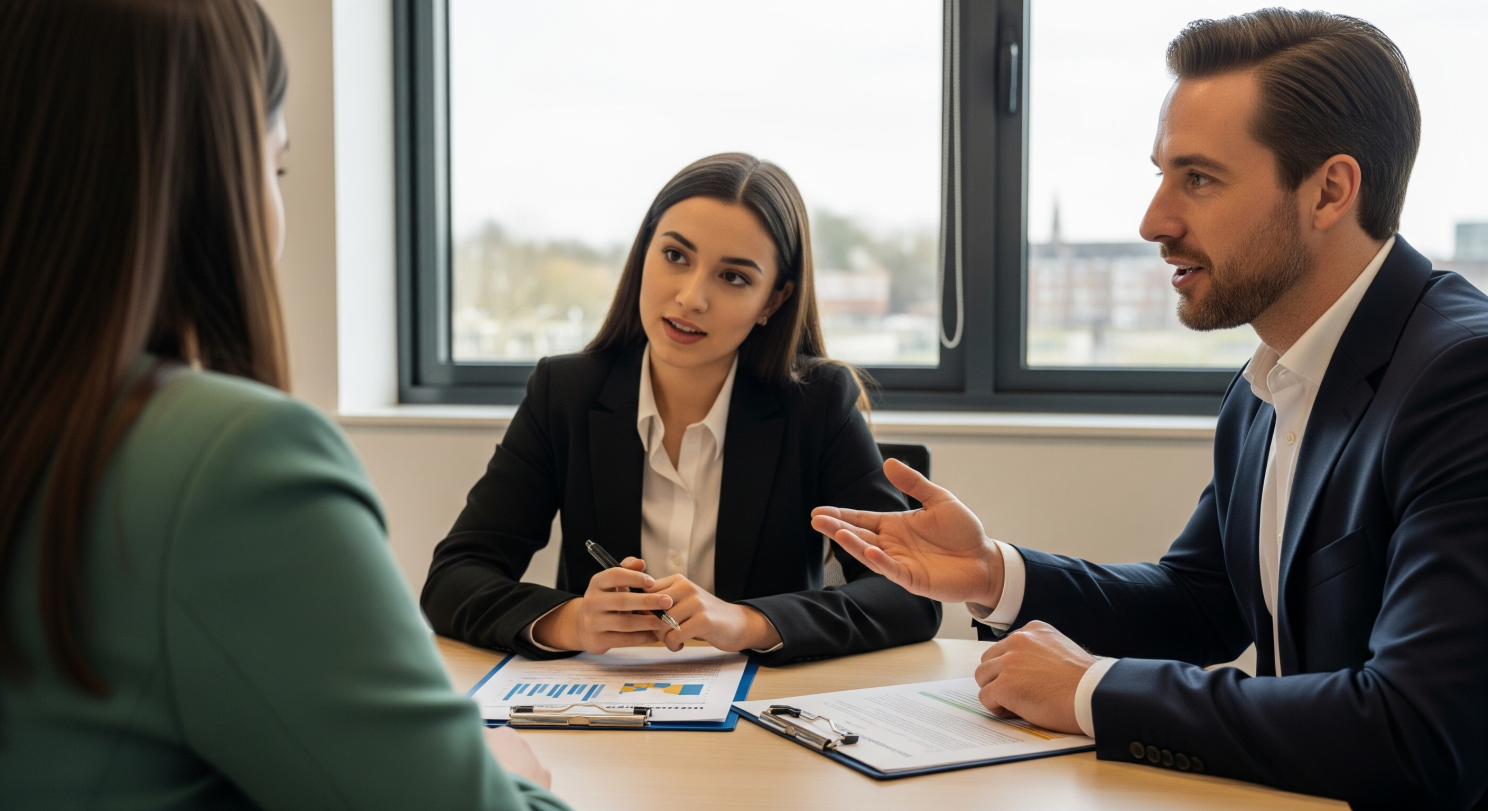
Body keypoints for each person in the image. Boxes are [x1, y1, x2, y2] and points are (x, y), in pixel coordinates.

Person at [812, 9, 1488, 809]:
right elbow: (1198, 605)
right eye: (1162, 173)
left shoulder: (1461, 379)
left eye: (1198, 179)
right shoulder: (1265, 388)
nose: (1153, 222)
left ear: (1330, 190)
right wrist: (994, 573)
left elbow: (1418, 729)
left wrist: (1091, 690)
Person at [0, 1, 566, 808]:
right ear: (214, 180)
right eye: (276, 165)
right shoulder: (228, 462)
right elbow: (459, 578)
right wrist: (510, 771)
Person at [421, 153, 940, 663]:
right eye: (675, 256)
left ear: (773, 301)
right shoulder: (565, 392)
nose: (692, 297)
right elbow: (454, 578)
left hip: (759, 713)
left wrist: (746, 622)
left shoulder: (819, 403)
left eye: (733, 277)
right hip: (599, 712)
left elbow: (910, 595)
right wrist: (573, 620)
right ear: (644, 252)